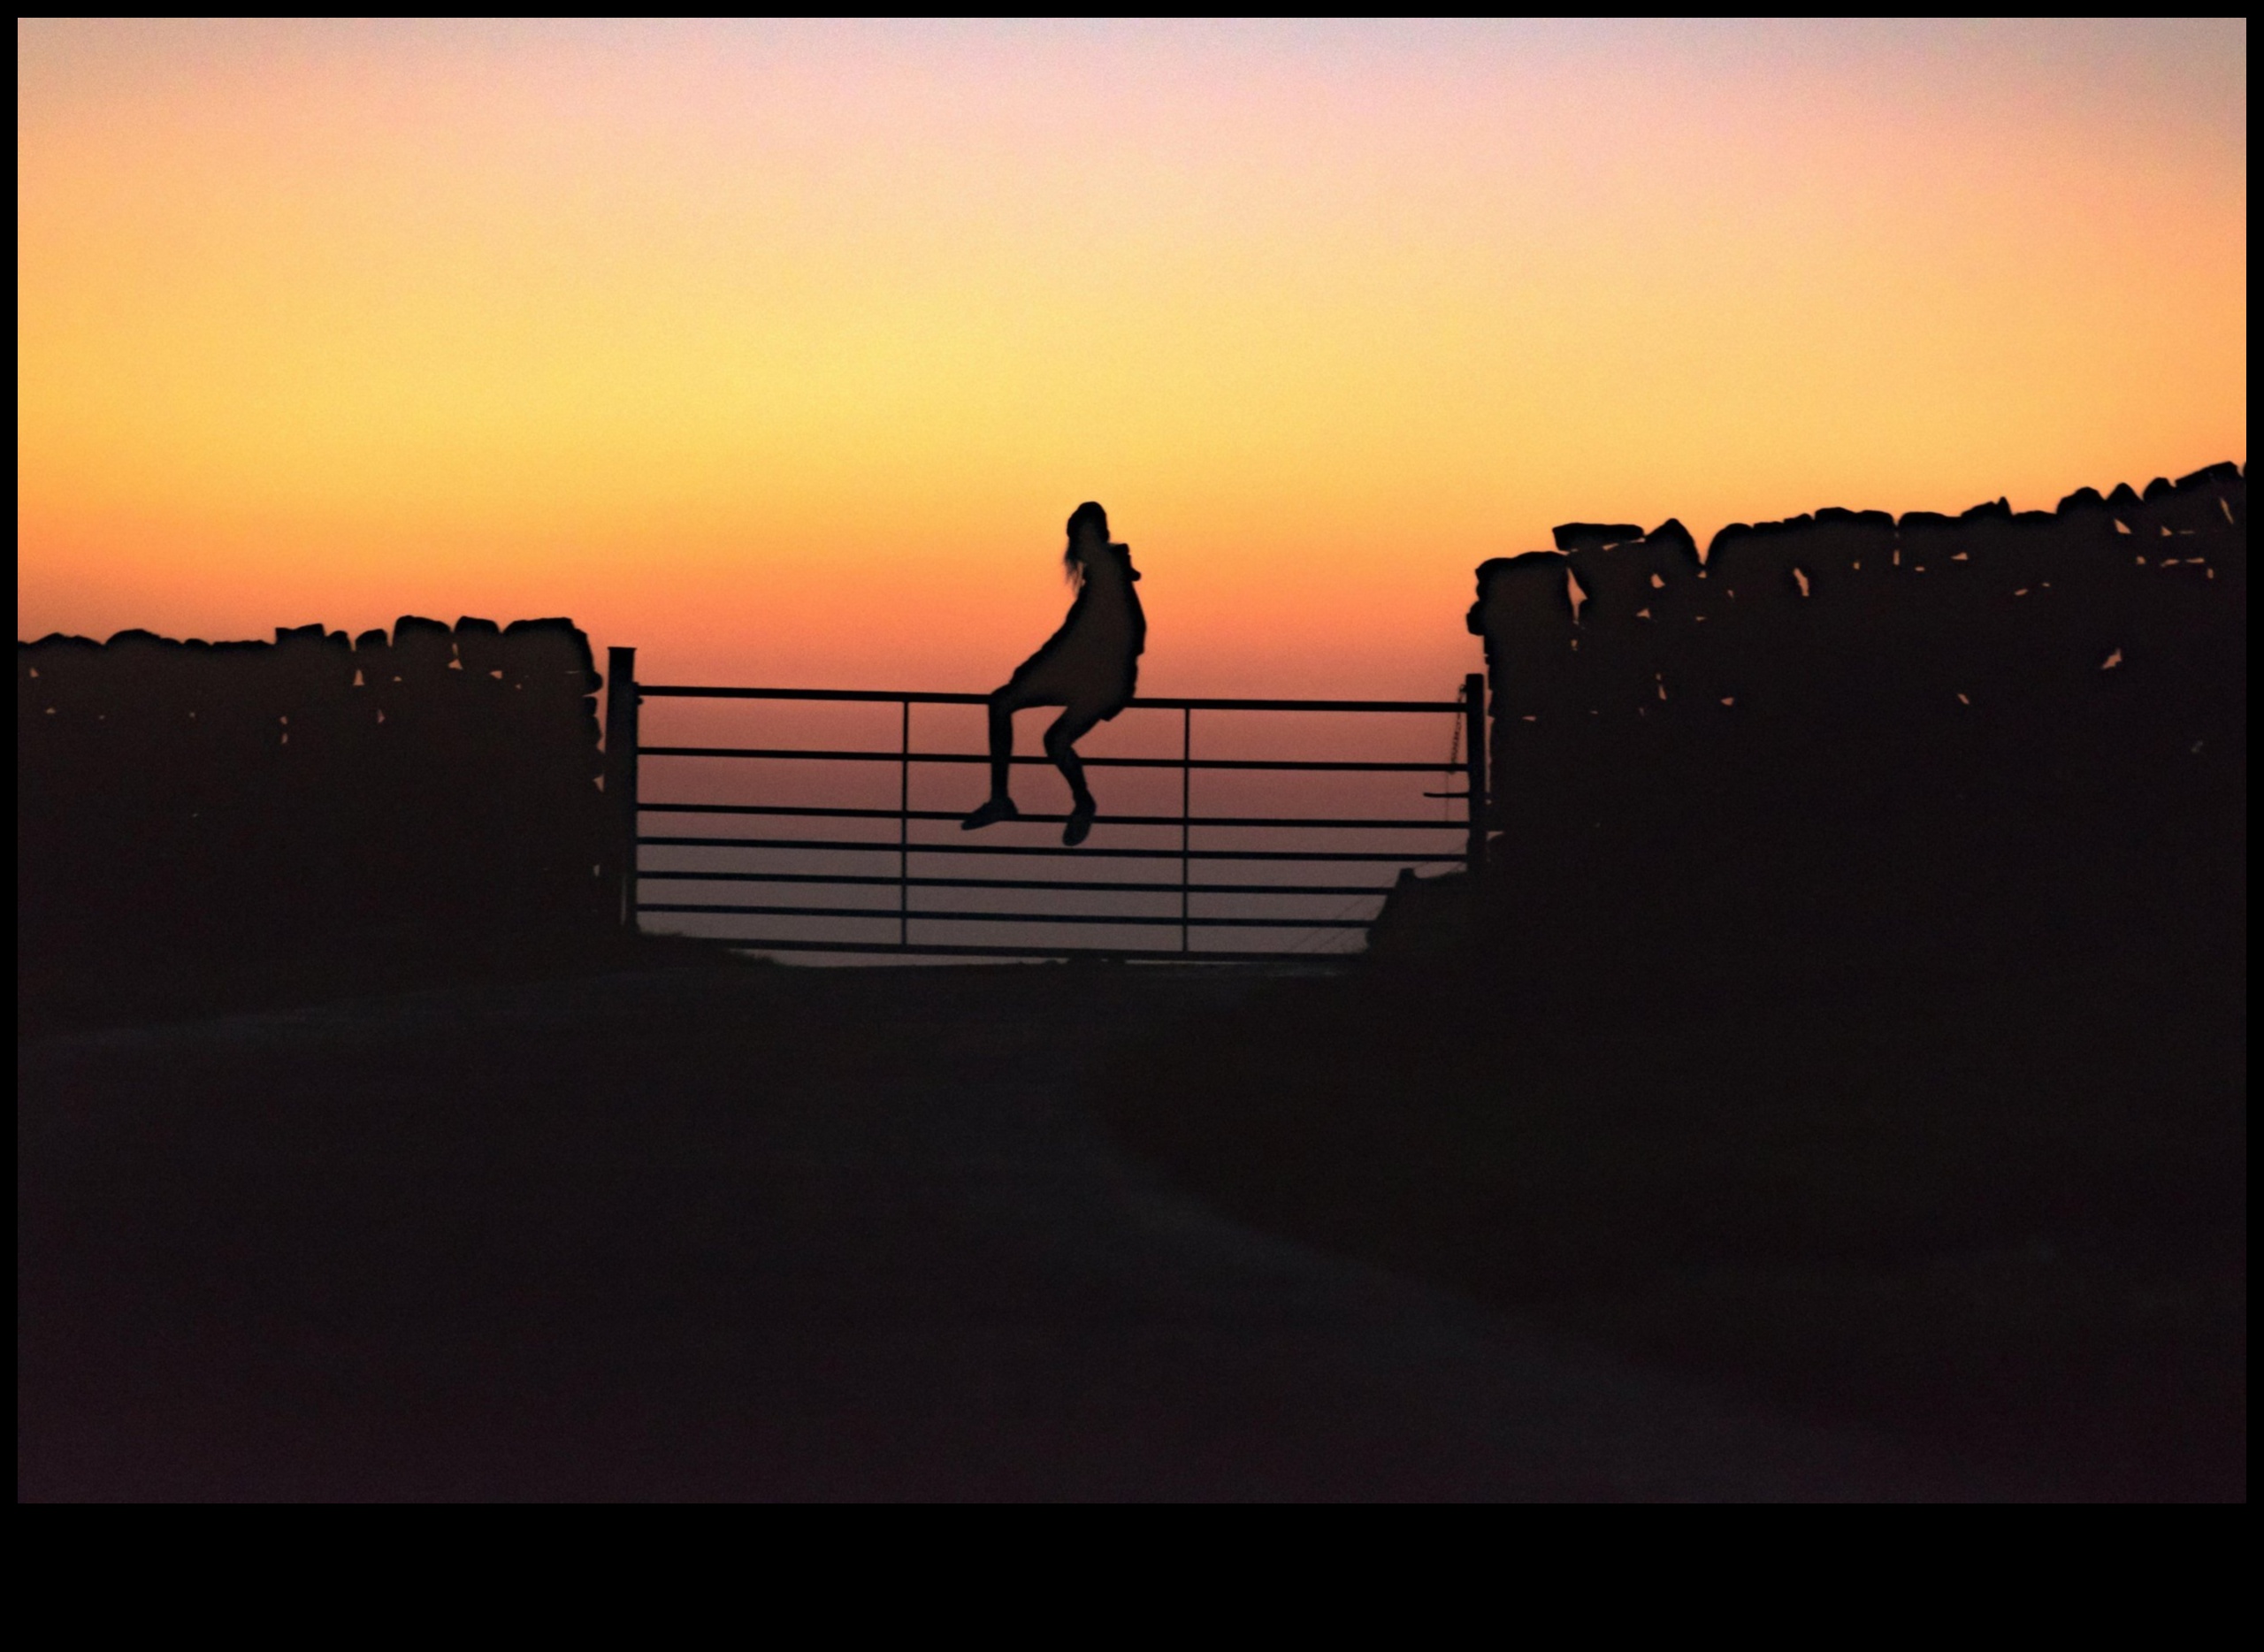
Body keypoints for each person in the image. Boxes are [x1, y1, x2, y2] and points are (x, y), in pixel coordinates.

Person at [961, 501, 1146, 846]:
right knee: (1051, 737)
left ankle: (1005, 799)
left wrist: (1034, 670)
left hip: (1097, 680)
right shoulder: (1107, 574)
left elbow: (1083, 636)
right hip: (1099, 679)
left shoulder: (1106, 574)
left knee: (1005, 704)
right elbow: (1081, 635)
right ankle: (1078, 802)